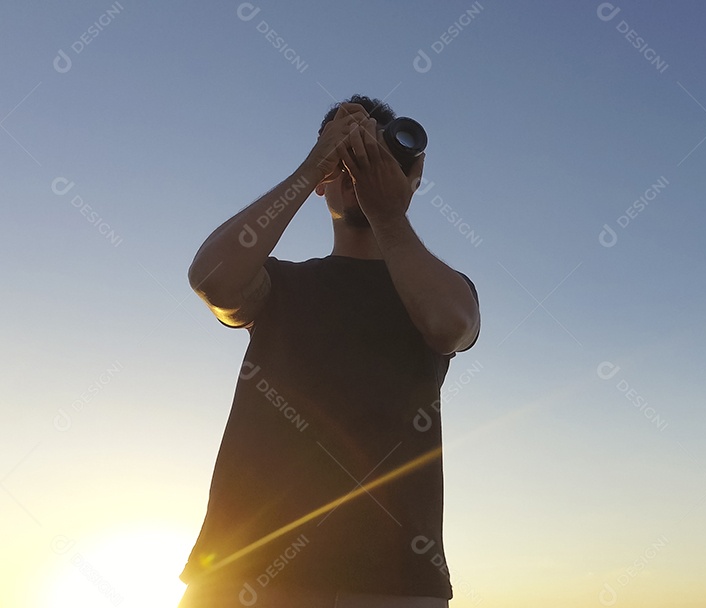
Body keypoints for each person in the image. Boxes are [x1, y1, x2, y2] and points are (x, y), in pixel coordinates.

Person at [178, 95, 480, 608]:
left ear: (414, 178)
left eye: (380, 157)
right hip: (244, 571)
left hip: (394, 579)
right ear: (322, 179)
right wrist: (311, 166)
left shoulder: (437, 289)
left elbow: (451, 324)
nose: (359, 169)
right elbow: (214, 280)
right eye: (345, 159)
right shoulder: (280, 284)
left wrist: (388, 213)